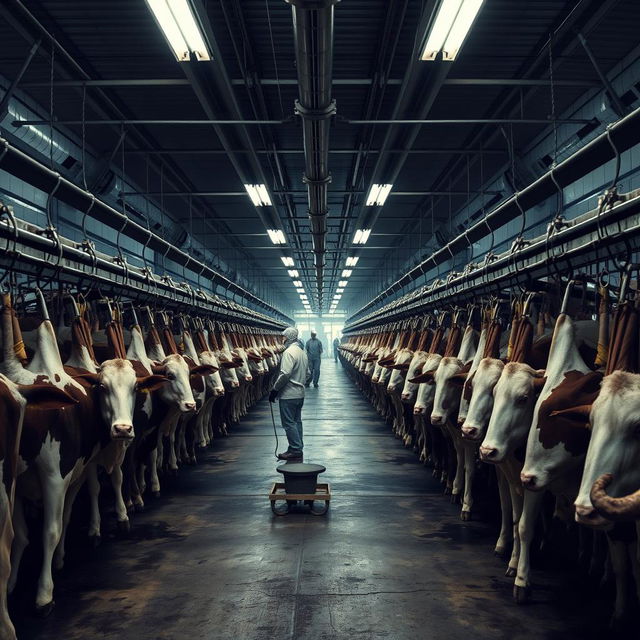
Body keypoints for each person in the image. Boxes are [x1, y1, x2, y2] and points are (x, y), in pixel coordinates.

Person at [269, 327, 309, 461]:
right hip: (300, 393)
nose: (282, 340)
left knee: (288, 423)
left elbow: (285, 373)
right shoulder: (302, 352)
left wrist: (275, 389)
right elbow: (308, 373)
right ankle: (297, 447)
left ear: (289, 338)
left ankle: (295, 449)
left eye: (284, 337)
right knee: (297, 421)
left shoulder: (288, 352)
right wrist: (300, 381)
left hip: (289, 393)